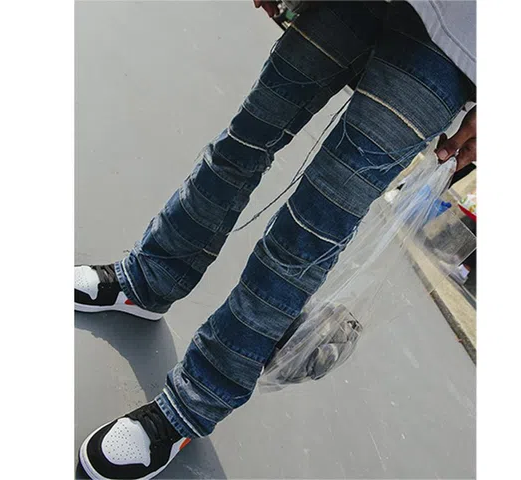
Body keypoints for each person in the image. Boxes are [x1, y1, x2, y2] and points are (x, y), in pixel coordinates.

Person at [75, 1, 477, 478]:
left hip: (460, 42)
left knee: (310, 230)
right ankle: (149, 279)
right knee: (242, 141)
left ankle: (194, 400)